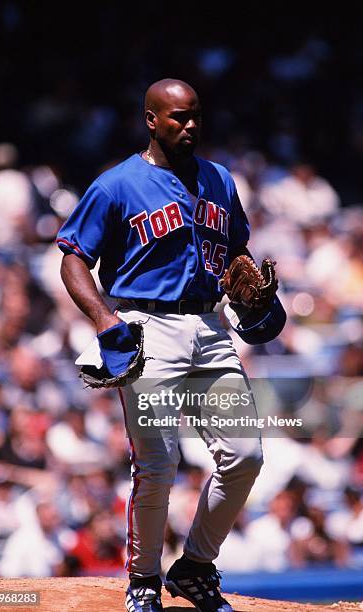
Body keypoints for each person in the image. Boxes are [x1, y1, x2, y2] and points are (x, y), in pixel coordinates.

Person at [57, 78, 265, 612]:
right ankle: (143, 579)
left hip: (209, 328)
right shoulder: (116, 185)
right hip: (145, 329)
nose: (189, 124)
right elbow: (74, 258)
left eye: (195, 115)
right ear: (151, 120)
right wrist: (105, 321)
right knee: (158, 461)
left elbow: (236, 249)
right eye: (176, 117)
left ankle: (195, 566)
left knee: (244, 455)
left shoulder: (219, 179)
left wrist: (249, 290)